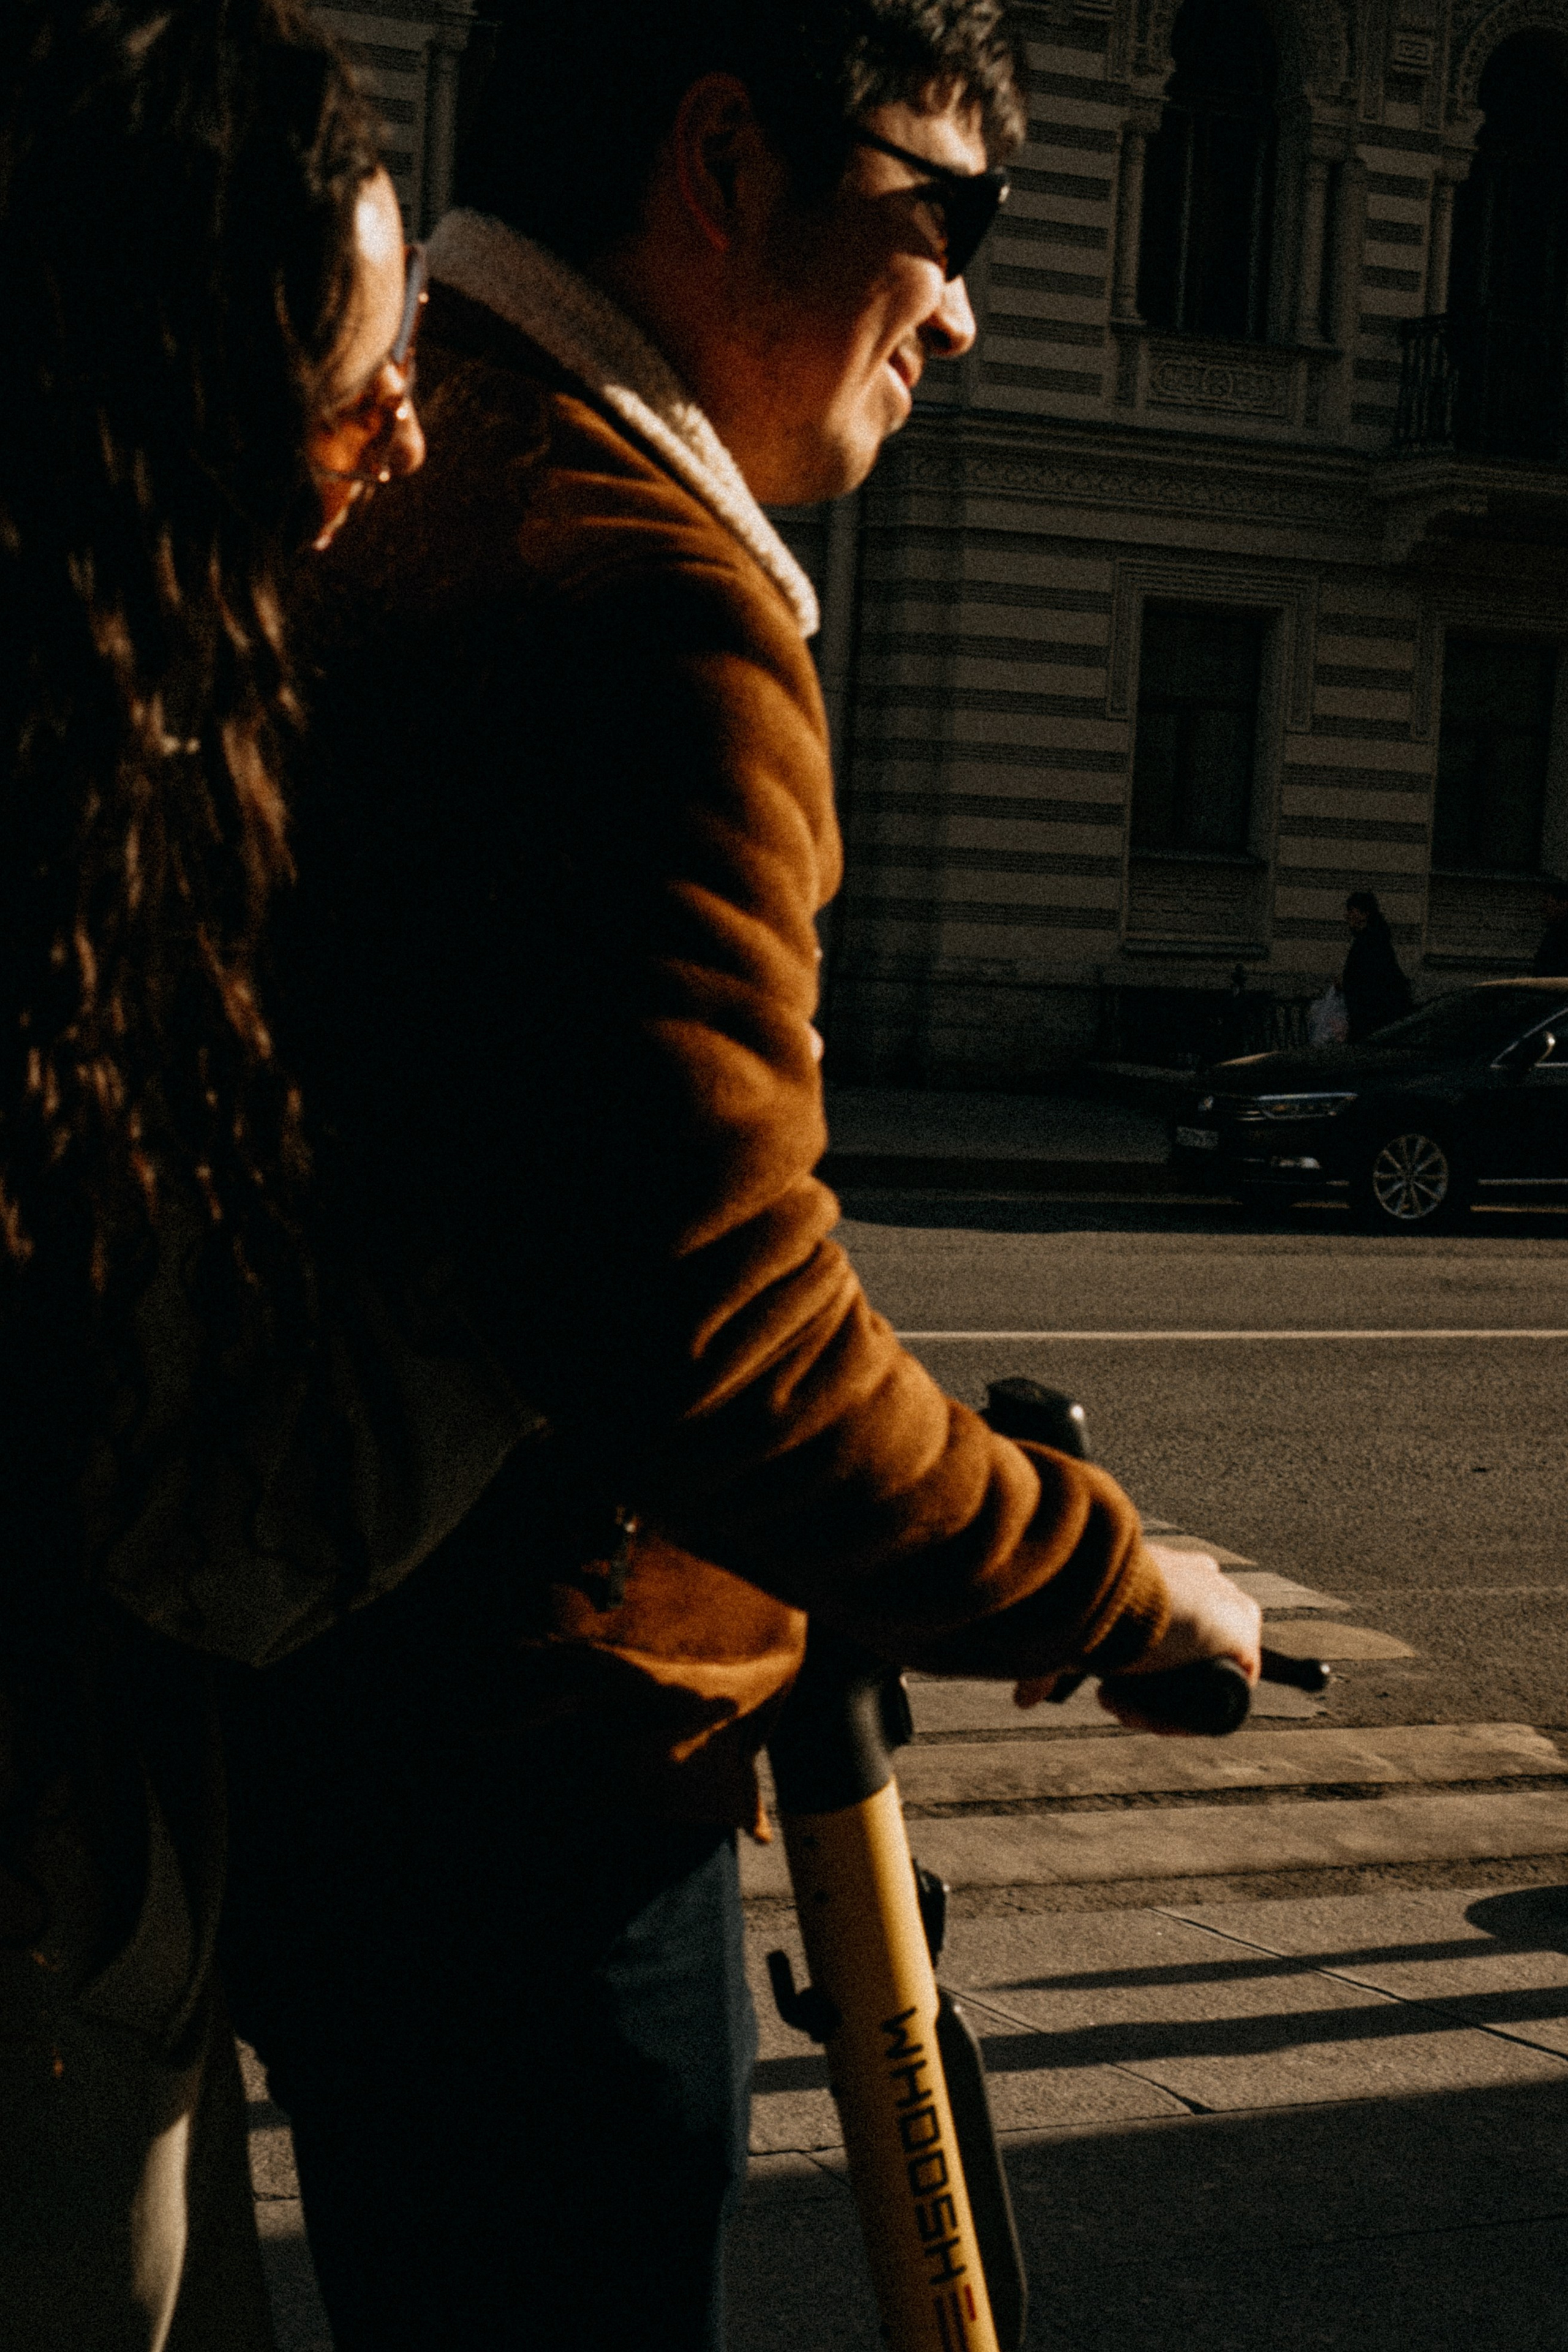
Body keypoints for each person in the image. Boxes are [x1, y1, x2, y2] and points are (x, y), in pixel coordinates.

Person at [215, 6, 1264, 2348]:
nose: (964, 308)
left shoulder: (410, 441)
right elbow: (721, 1343)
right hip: (543, 1793)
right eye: (947, 215)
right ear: (721, 160)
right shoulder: (644, 605)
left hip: (332, 1723)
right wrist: (1109, 1584)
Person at [0, 6, 439, 2342]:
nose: (408, 435)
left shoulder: (144, 721)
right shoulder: (78, 814)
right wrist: (569, 1275)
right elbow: (197, 1500)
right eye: (360, 386)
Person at [1341, 890, 1412, 1043]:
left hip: (1371, 1022)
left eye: (1351, 911)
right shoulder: (1375, 940)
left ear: (1364, 914)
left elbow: (1369, 981)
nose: (1347, 916)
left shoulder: (1369, 944)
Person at [1532, 876, 1568, 977]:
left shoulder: (1559, 935)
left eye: (1547, 902)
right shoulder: (1556, 932)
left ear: (1563, 904)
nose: (1544, 908)